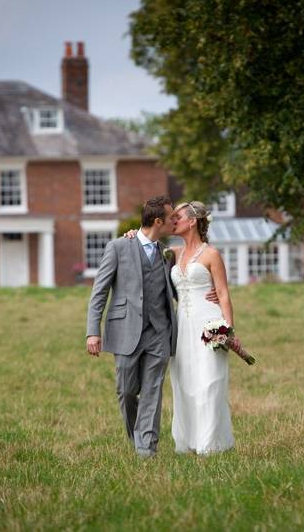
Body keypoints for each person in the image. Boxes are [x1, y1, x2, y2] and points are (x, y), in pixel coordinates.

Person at [85, 195, 177, 458]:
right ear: (158, 221)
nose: (175, 222)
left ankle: (146, 449)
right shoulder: (118, 247)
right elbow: (99, 291)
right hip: (126, 331)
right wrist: (93, 331)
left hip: (160, 332)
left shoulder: (166, 252)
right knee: (126, 391)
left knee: (153, 391)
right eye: (171, 218)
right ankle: (136, 437)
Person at [168, 201, 241, 454]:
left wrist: (228, 332)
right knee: (185, 382)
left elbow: (222, 294)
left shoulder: (211, 255)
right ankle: (189, 441)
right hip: (182, 327)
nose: (172, 220)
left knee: (210, 381)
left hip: (209, 323)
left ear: (192, 221)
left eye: (177, 216)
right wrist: (131, 233)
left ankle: (209, 445)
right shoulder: (172, 254)